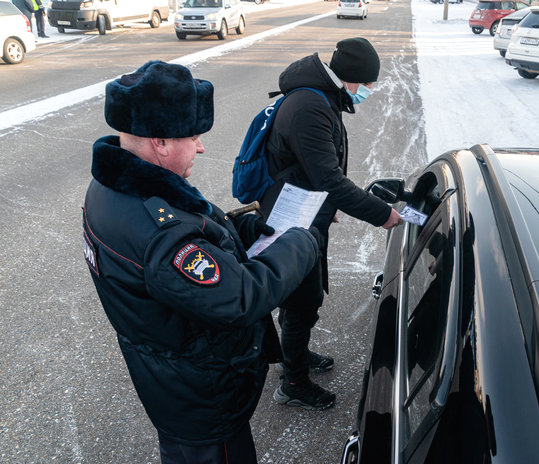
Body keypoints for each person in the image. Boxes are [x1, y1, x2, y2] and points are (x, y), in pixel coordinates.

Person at [82, 60, 321, 463]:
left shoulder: (112, 185)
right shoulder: (162, 234)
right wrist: (302, 241)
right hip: (202, 397)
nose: (201, 146)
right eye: (193, 135)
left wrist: (237, 231)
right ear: (159, 140)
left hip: (170, 380)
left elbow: (190, 230)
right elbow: (240, 297)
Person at [259, 37, 403, 411]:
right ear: (352, 78)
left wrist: (327, 205)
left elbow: (315, 169)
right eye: (368, 84)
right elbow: (330, 179)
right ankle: (293, 383)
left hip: (306, 208)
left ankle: (296, 355)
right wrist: (382, 214)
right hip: (293, 219)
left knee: (303, 298)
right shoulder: (310, 105)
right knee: (302, 300)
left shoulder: (320, 97)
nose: (368, 91)